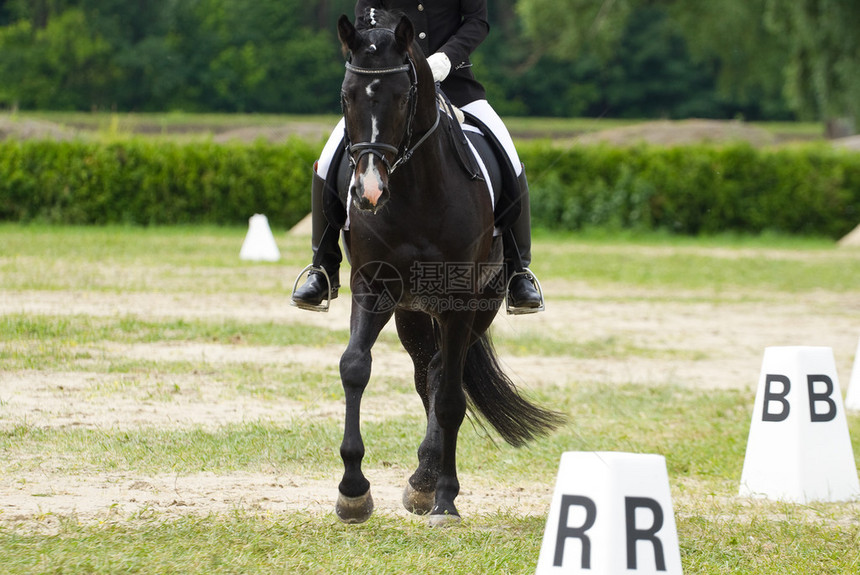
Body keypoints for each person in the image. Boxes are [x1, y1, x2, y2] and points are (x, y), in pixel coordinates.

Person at [291, 0, 543, 313]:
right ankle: (323, 268)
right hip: (389, 86)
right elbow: (365, 20)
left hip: (455, 85)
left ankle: (519, 271)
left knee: (509, 156)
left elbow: (477, 21)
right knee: (328, 161)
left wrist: (446, 59)